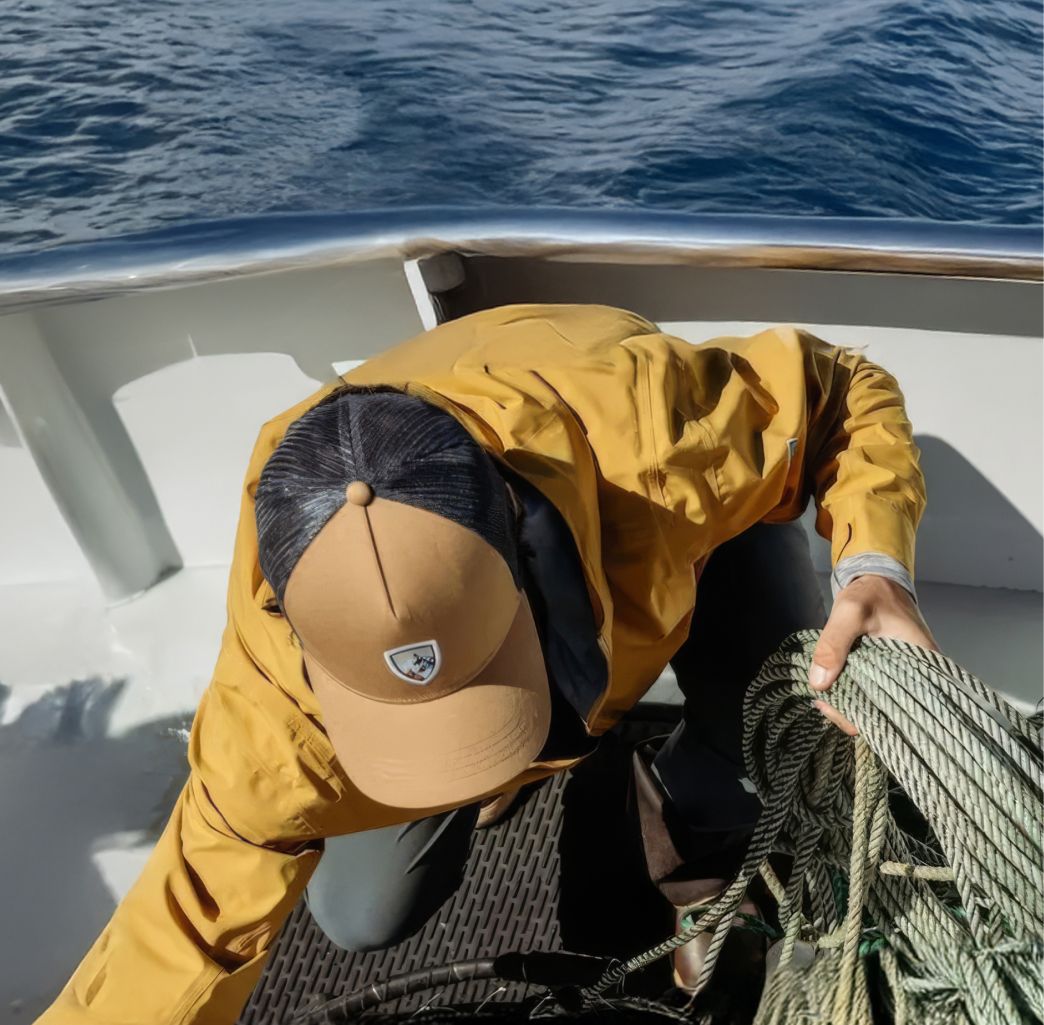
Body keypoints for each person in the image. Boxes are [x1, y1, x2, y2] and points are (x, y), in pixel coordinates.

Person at [36, 303, 938, 1025]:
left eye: (483, 678)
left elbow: (840, 390)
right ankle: (540, 765)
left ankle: (690, 822)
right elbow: (182, 938)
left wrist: (876, 568)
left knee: (777, 724)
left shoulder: (652, 433)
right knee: (360, 913)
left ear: (530, 558)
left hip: (671, 537)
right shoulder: (269, 696)